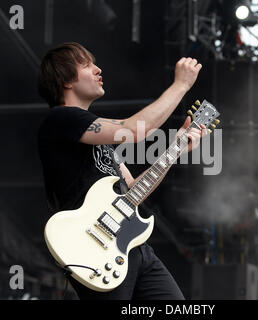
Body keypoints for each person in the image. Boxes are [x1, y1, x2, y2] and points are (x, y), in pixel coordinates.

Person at [37, 42, 206, 300]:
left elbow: (134, 191)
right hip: (93, 250)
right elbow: (135, 130)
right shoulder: (60, 120)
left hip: (131, 246)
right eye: (85, 64)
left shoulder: (99, 140)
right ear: (66, 80)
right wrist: (180, 86)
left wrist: (175, 150)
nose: (97, 69)